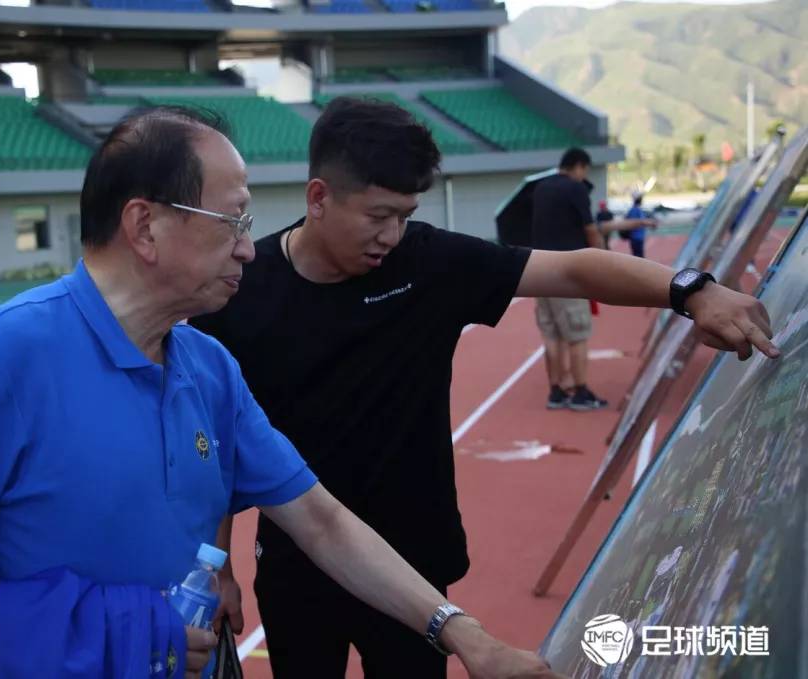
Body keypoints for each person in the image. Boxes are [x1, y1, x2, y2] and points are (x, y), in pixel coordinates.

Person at [0, 106, 563, 679]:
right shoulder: (7, 352)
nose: (248, 246)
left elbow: (321, 521)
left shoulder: (208, 367)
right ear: (145, 226)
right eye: (232, 220)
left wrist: (463, 634)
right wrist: (108, 628)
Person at [190, 98, 779, 679]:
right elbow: (215, 446)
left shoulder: (427, 262)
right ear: (319, 197)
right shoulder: (243, 293)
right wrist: (218, 567)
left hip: (416, 567)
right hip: (298, 563)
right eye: (378, 215)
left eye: (405, 214)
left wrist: (693, 289)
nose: (392, 234)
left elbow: (571, 269)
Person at [531, 148, 656, 411]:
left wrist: (638, 224)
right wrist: (602, 262)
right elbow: (591, 229)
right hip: (568, 273)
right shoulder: (575, 188)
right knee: (577, 335)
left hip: (540, 271)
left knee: (551, 336)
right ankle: (580, 392)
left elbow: (593, 226)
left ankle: (556, 391)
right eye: (585, 171)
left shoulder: (541, 188)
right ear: (579, 166)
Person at [624, 191, 651, 258]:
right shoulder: (638, 210)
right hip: (638, 237)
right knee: (640, 257)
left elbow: (627, 219)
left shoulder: (631, 210)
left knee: (635, 256)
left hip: (633, 236)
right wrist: (651, 223)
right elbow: (642, 221)